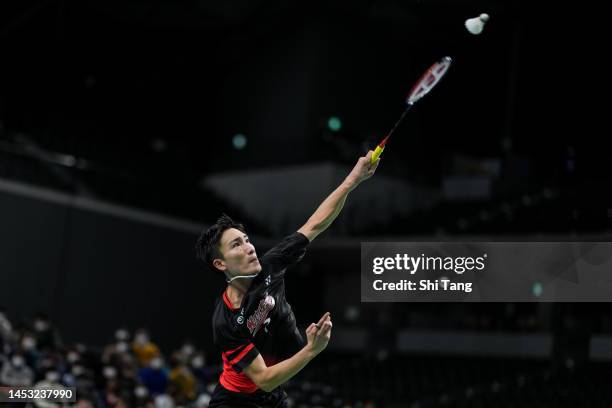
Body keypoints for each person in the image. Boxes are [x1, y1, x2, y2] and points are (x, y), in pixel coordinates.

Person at [195, 151, 379, 407]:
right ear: (220, 263)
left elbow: (315, 224)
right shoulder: (225, 321)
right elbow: (264, 379)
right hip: (235, 401)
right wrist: (311, 350)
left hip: (272, 396)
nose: (249, 247)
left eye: (247, 240)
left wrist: (353, 180)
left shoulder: (270, 264)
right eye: (237, 244)